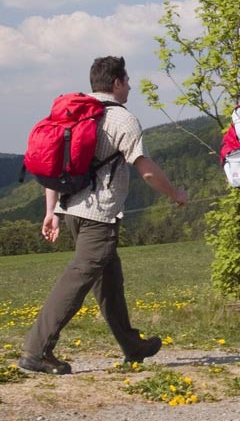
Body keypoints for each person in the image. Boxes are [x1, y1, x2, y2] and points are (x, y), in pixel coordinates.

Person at [19, 56, 189, 375]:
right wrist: (175, 194)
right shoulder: (122, 120)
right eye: (127, 80)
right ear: (116, 83)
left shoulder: (71, 115)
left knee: (109, 279)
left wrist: (50, 211)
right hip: (99, 215)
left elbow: (53, 166)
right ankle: (36, 349)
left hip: (71, 211)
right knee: (79, 277)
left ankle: (132, 344)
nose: (130, 86)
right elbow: (146, 170)